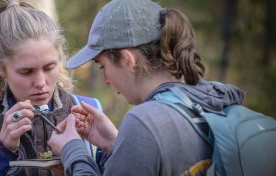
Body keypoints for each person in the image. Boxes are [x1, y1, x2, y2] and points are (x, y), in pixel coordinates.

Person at [47, 0, 245, 175]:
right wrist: (116, 145)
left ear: (127, 60)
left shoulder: (144, 122)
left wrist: (72, 150)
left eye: (103, 66)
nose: (106, 79)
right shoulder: (210, 101)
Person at [0, 0, 100, 175]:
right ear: (0, 68)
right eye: (26, 72)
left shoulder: (91, 113)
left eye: (49, 67)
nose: (40, 82)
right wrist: (1, 150)